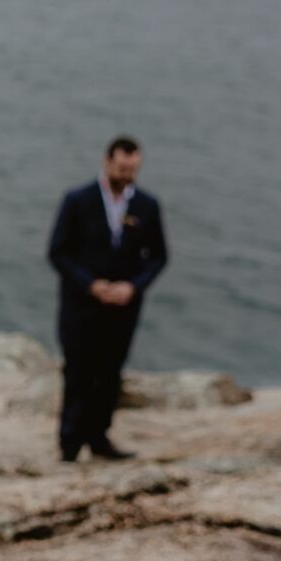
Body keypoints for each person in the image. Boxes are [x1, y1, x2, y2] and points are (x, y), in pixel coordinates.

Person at [45, 135, 169, 462]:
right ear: (107, 162)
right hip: (81, 306)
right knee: (78, 372)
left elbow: (158, 257)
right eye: (122, 167)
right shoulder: (77, 200)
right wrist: (92, 285)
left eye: (133, 169)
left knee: (110, 373)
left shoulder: (147, 205)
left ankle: (99, 437)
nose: (127, 174)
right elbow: (57, 252)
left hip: (123, 309)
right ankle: (69, 443)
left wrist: (134, 287)